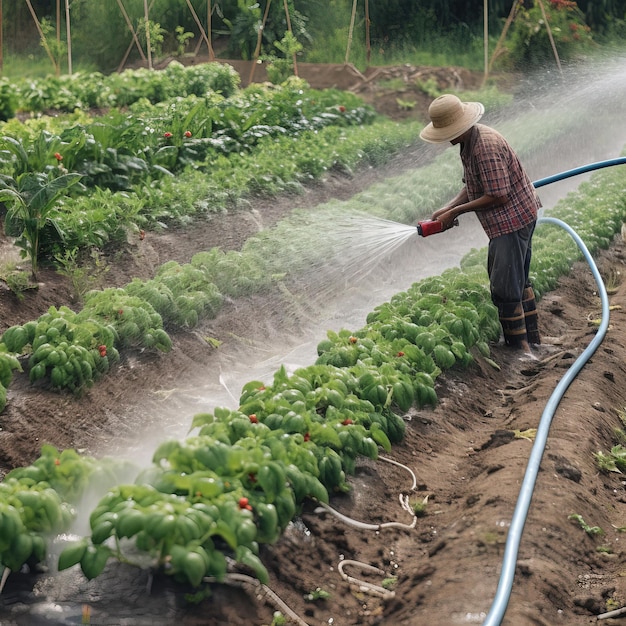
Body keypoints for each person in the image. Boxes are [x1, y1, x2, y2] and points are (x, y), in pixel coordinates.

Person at [420, 93, 542, 355]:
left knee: (505, 286)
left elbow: (499, 194)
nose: (445, 138)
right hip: (512, 219)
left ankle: (522, 350)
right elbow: (474, 185)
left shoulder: (484, 146)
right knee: (516, 279)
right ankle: (532, 342)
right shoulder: (469, 142)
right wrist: (450, 207)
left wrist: (457, 213)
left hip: (512, 220)